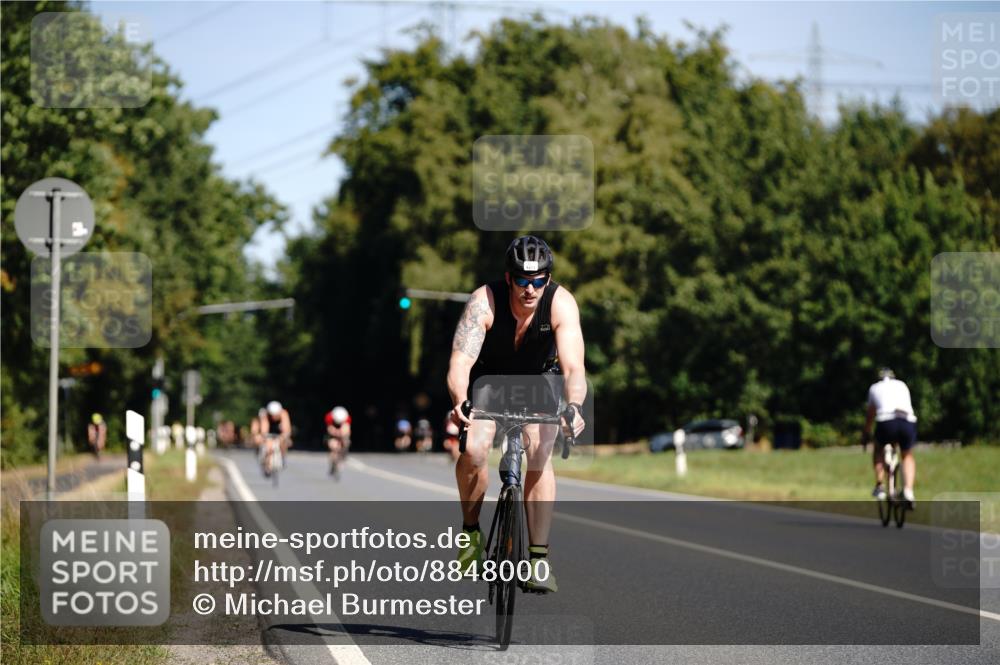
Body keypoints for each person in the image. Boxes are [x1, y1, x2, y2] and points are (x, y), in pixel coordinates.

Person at [447, 235, 587, 593]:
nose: (530, 289)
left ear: (548, 279)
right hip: (491, 380)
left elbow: (574, 368)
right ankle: (470, 535)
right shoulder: (484, 302)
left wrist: (574, 407)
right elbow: (461, 361)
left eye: (539, 280)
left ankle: (538, 560)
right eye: (523, 280)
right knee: (475, 450)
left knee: (539, 452)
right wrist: (461, 399)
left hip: (539, 380)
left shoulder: (561, 303)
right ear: (508, 278)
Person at [862, 367, 918, 506]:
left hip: (886, 422)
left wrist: (866, 433)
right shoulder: (902, 385)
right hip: (906, 420)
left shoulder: (874, 387)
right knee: (907, 455)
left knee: (878, 449)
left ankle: (880, 486)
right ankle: (908, 491)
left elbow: (870, 415)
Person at [258, 401, 292, 475]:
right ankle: (267, 463)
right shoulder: (265, 415)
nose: (274, 417)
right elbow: (264, 429)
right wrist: (264, 437)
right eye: (272, 415)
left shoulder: (284, 414)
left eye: (276, 415)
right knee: (268, 444)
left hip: (279, 431)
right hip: (269, 431)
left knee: (284, 442)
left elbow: (287, 429)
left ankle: (283, 457)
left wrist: (284, 436)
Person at [325, 405, 351, 477]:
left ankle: (342, 457)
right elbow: (330, 430)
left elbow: (347, 430)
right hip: (333, 434)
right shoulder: (329, 417)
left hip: (342, 433)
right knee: (333, 446)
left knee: (346, 443)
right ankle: (333, 462)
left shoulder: (347, 418)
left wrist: (343, 437)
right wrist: (336, 433)